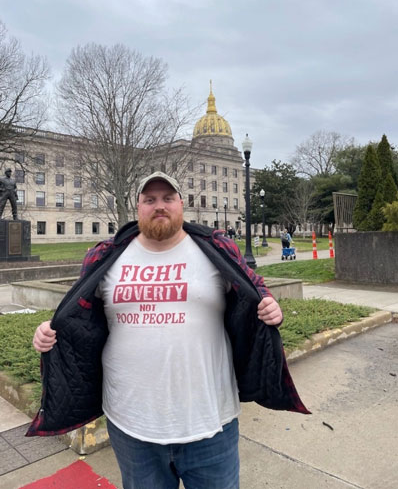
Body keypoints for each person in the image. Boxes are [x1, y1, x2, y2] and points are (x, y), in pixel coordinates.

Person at [30, 171, 309, 489]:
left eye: (167, 198)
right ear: (138, 207)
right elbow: (76, 317)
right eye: (149, 200)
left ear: (181, 204)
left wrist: (272, 308)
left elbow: (256, 292)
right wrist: (50, 333)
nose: (158, 206)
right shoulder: (106, 255)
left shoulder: (215, 249)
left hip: (209, 424)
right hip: (132, 427)